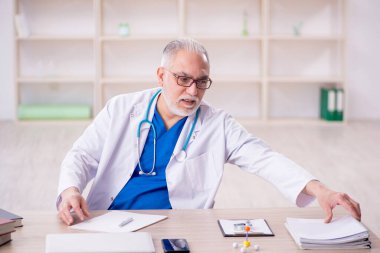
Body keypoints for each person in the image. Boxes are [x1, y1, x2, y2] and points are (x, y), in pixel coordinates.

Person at [57, 38, 361, 226]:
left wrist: (321, 190)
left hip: (177, 226)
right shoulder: (122, 108)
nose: (193, 91)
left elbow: (266, 158)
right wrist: (71, 190)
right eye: (183, 79)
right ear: (161, 75)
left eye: (202, 81)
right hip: (106, 219)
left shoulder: (218, 124)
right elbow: (82, 155)